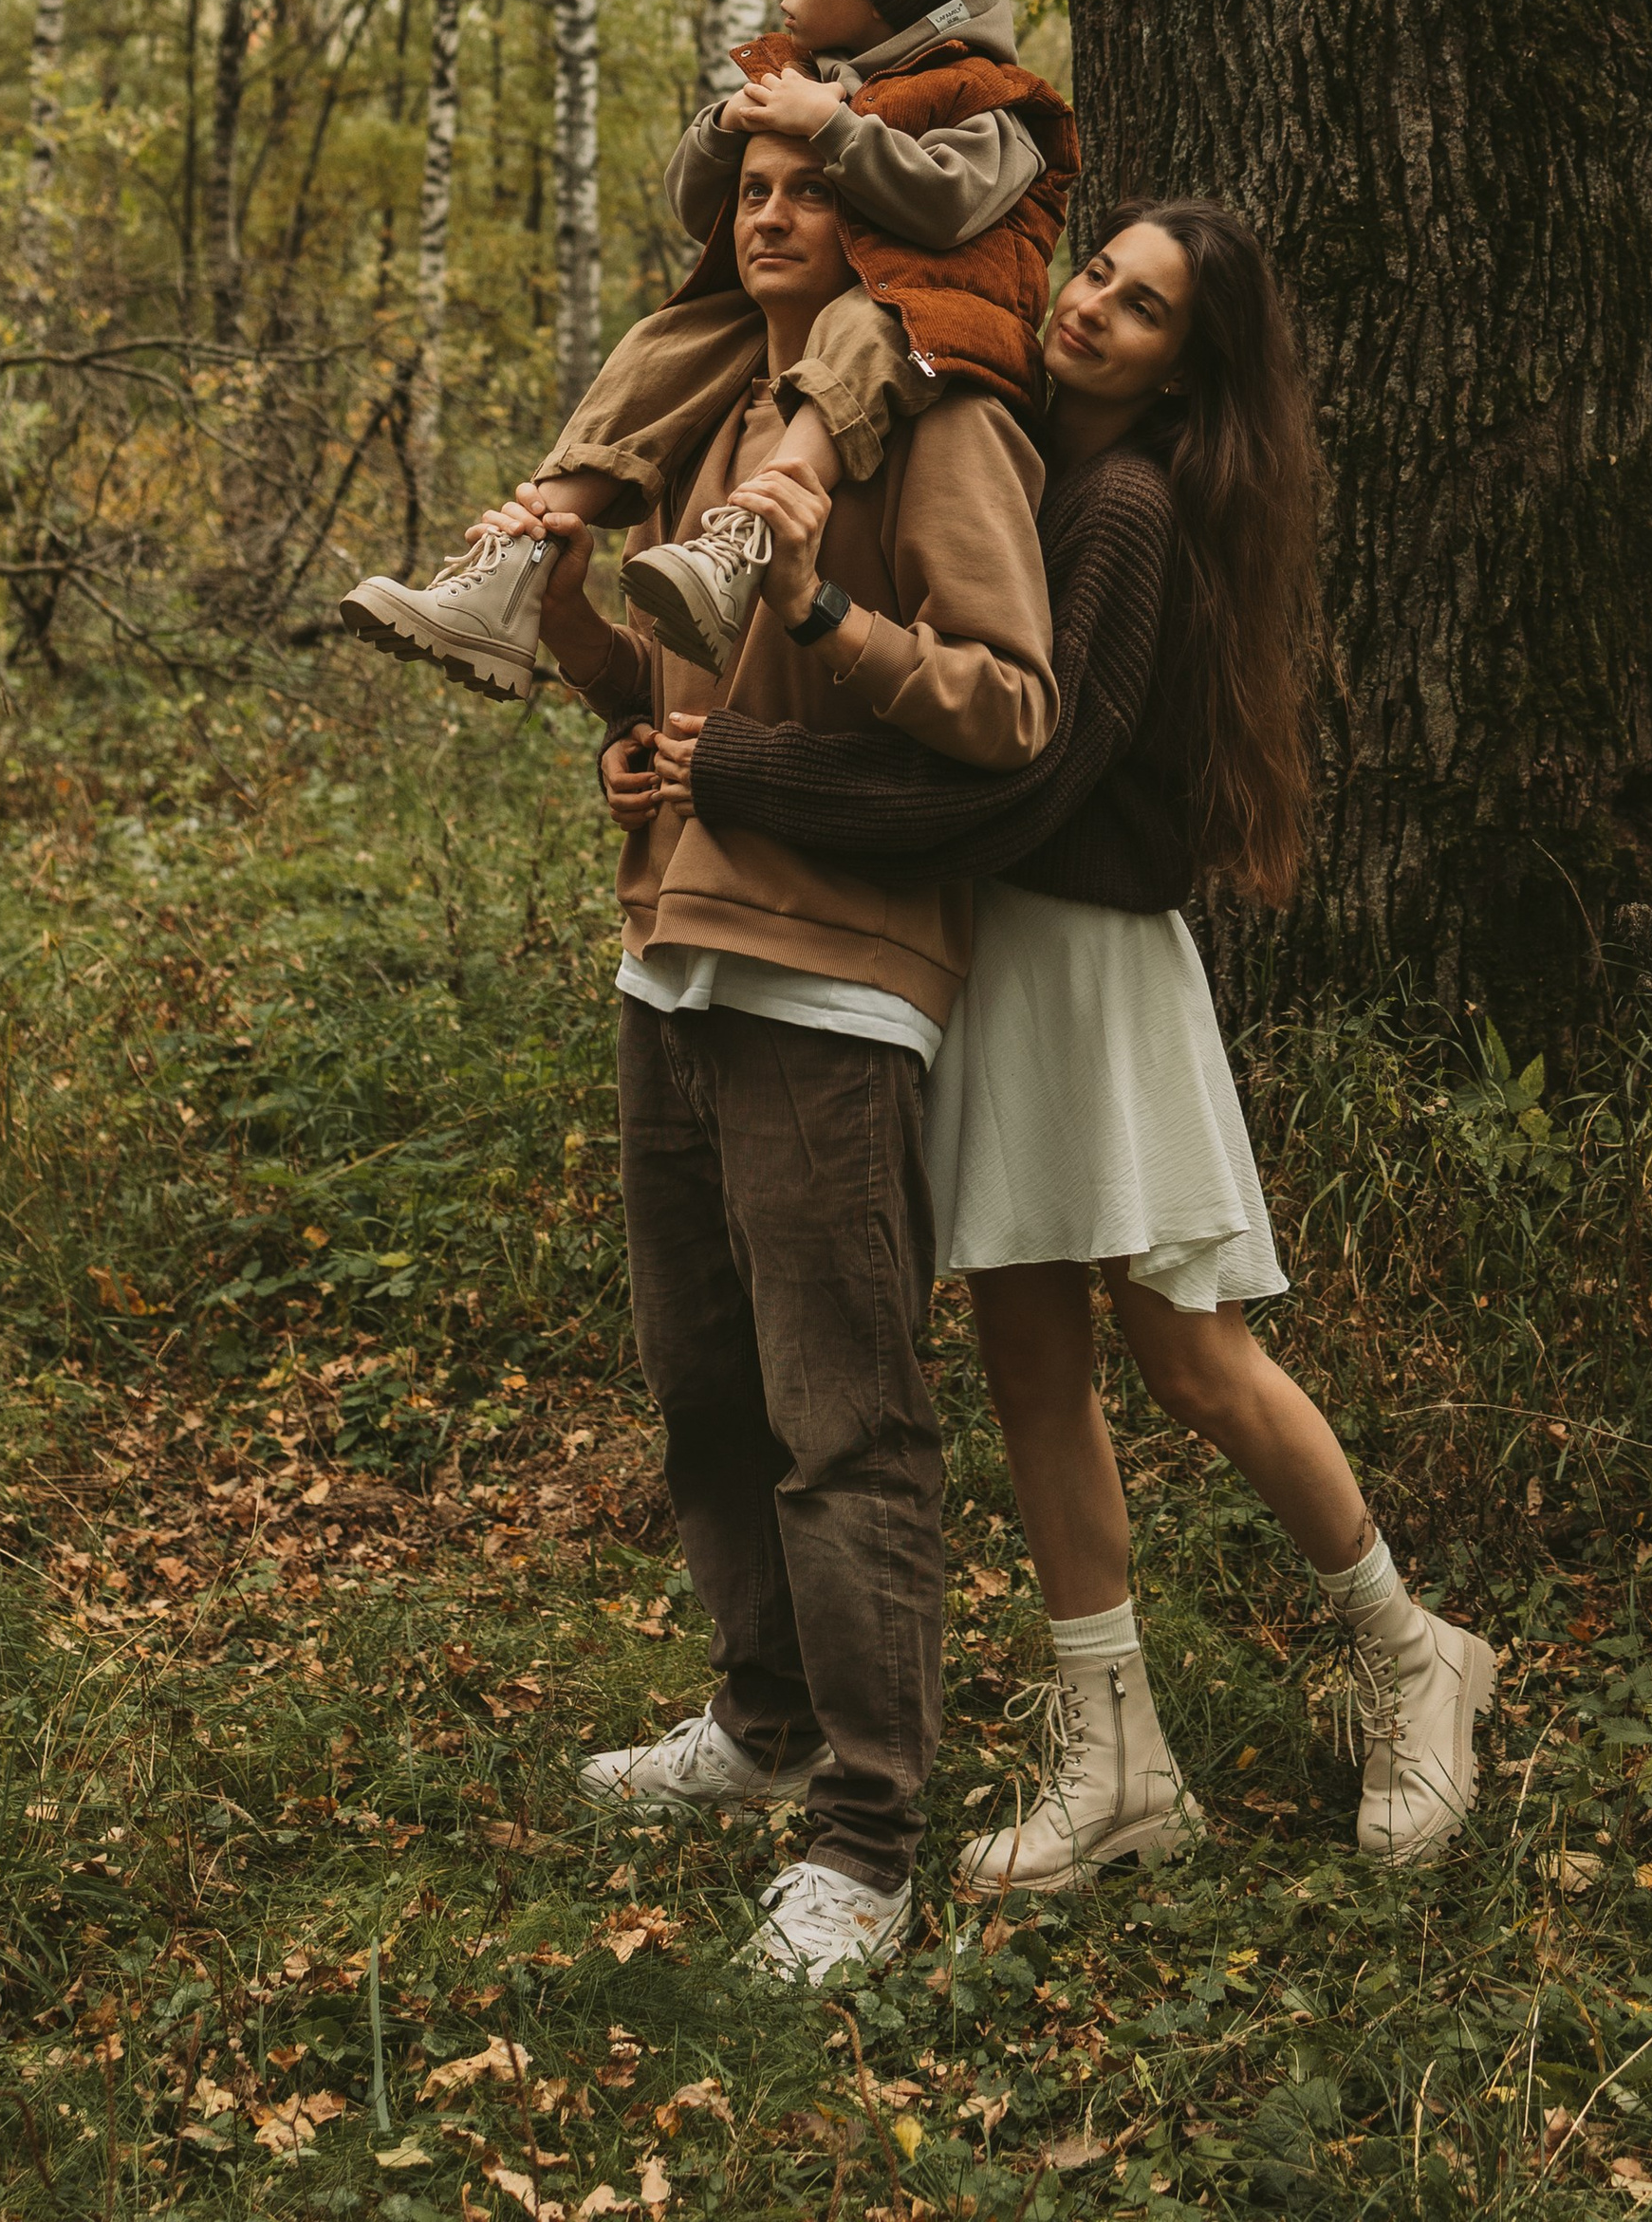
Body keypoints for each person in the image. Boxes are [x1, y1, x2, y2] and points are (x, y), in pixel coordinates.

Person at [629, 203, 1498, 1887]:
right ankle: (1117, 1767)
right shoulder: (1022, 461)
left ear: (1192, 370)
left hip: (1088, 968)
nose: (1094, 305)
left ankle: (1413, 1656)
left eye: (1147, 307)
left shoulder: (1125, 504)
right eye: (1096, 271)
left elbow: (1027, 772)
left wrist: (740, 768)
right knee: (1032, 1367)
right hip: (993, 956)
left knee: (1194, 1356)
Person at [509, 124, 1058, 1985]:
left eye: (802, 188)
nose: (762, 214)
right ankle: (758, 1726)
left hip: (835, 983)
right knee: (700, 1384)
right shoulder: (709, 417)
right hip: (668, 958)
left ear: (879, 223)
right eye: (743, 189)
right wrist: (586, 638)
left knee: (844, 1423)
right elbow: (667, 703)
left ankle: (866, 1839)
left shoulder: (946, 425)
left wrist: (822, 615)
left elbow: (1009, 704)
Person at [340, 0, 1074, 694]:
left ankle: (745, 536)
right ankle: (521, 558)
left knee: (868, 326)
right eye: (759, 192)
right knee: (676, 333)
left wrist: (835, 133)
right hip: (845, 321)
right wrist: (726, 127)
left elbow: (949, 206)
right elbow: (702, 214)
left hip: (937, 329)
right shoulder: (812, 88)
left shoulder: (986, 97)